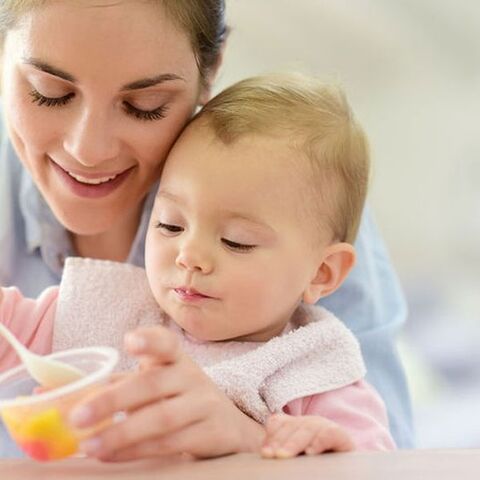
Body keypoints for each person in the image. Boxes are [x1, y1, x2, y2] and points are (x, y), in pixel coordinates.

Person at [0, 0, 413, 451]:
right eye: (49, 91)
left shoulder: (297, 198)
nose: (88, 150)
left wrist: (248, 440)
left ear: (210, 71)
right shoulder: (111, 306)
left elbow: (379, 455)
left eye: (145, 105)